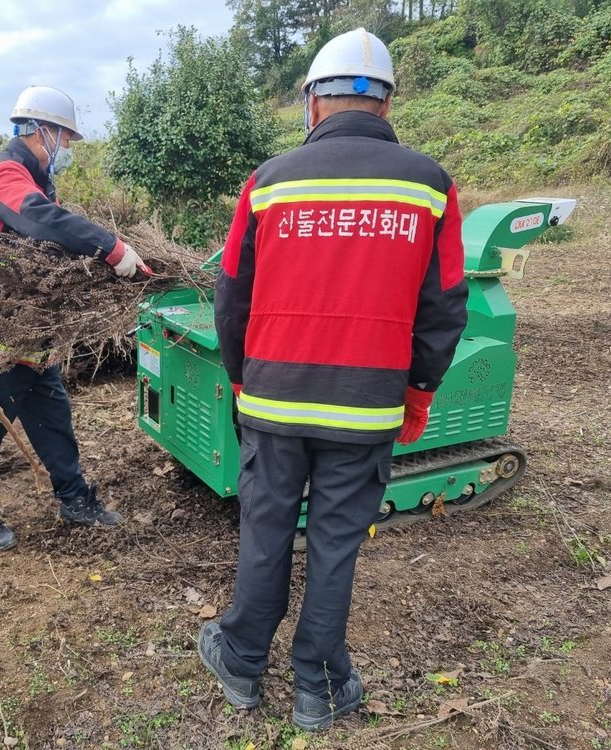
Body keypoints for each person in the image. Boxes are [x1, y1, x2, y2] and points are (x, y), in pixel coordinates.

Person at [197, 29, 468, 731]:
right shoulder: (431, 185)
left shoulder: (268, 182)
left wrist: (239, 380)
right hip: (367, 404)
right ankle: (318, 686)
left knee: (264, 532)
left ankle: (242, 662)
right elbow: (444, 308)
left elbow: (231, 296)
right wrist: (418, 393)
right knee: (335, 544)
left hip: (274, 396)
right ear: (384, 103)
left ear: (314, 100)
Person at [0, 84, 149, 551]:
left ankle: (73, 497)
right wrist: (111, 248)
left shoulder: (37, 177)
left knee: (51, 411)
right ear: (42, 131)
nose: (67, 150)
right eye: (65, 139)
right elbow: (42, 221)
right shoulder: (5, 173)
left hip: (32, 325)